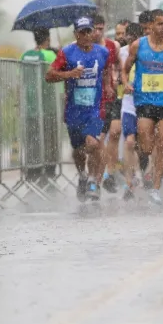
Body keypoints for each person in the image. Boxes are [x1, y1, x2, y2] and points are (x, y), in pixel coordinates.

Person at [45, 17, 113, 202]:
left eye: (88, 31)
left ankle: (94, 182)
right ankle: (82, 175)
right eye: (82, 32)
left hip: (95, 108)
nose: (86, 35)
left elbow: (107, 70)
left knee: (93, 143)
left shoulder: (103, 52)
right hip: (74, 109)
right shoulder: (66, 52)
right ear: (76, 34)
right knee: (78, 150)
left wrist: (108, 86)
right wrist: (69, 74)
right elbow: (49, 76)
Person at [122, 9, 163, 206]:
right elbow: (125, 69)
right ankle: (143, 165)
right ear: (151, 26)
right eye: (160, 24)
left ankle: (156, 189)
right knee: (146, 147)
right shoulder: (138, 45)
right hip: (144, 100)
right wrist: (126, 83)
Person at [20, 26, 60, 189]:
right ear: (48, 39)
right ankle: (49, 174)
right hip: (48, 107)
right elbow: (58, 76)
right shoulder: (50, 55)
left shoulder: (25, 55)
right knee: (50, 142)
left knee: (32, 142)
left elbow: (20, 80)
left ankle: (33, 173)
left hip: (30, 107)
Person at [93, 14, 122, 194]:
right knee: (99, 139)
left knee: (115, 132)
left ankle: (110, 173)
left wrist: (118, 78)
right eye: (94, 29)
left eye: (100, 29)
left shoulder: (113, 46)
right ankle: (98, 178)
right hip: (96, 99)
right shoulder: (87, 48)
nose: (97, 32)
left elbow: (119, 65)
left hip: (113, 97)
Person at [119, 23, 142, 200]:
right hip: (128, 105)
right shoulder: (121, 52)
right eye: (129, 37)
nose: (132, 40)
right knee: (129, 142)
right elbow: (119, 71)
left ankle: (144, 174)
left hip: (147, 103)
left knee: (146, 145)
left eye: (135, 37)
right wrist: (122, 82)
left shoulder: (149, 50)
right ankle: (129, 182)